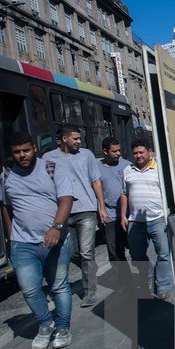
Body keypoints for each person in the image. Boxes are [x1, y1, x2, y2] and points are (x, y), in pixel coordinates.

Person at [2, 131, 74, 349]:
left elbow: (66, 199)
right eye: (16, 152)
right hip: (22, 243)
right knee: (29, 289)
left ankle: (63, 327)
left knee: (59, 286)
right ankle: (46, 323)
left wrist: (56, 227)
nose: (22, 155)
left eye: (25, 150)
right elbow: (6, 206)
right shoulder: (6, 175)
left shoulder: (52, 168)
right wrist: (11, 235)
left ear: (34, 148)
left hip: (57, 240)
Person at [43, 125, 108, 307]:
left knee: (87, 252)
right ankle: (90, 271)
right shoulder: (49, 158)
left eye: (80, 139)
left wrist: (101, 207)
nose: (79, 142)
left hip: (86, 209)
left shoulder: (86, 155)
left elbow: (96, 181)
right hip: (63, 213)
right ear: (64, 139)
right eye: (76, 139)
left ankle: (89, 291)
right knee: (70, 253)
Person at [120, 140, 172, 299]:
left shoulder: (160, 169)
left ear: (150, 152)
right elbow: (124, 194)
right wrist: (123, 215)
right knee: (136, 255)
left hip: (157, 219)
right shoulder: (128, 170)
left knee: (163, 254)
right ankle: (148, 275)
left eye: (141, 152)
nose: (138, 156)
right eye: (135, 153)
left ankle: (163, 285)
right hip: (135, 221)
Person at [99, 137, 131, 279]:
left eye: (119, 150)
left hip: (128, 215)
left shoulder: (127, 166)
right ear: (105, 151)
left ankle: (146, 276)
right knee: (115, 252)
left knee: (135, 248)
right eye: (114, 151)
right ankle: (125, 282)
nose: (118, 153)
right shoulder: (96, 168)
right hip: (110, 215)